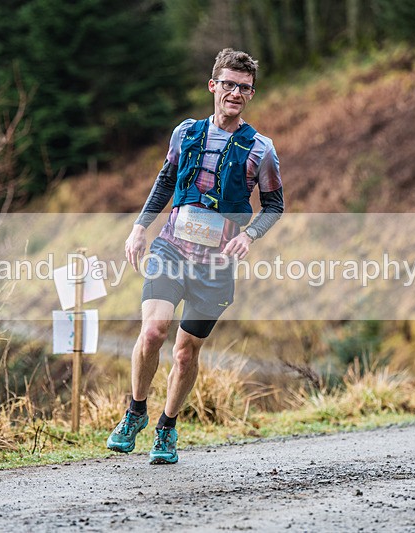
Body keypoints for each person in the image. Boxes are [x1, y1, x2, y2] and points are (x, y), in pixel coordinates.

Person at [106, 48, 284, 464]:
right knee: (154, 330)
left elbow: (274, 205)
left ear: (251, 94)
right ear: (213, 86)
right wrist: (138, 229)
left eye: (244, 87)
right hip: (170, 248)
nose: (235, 93)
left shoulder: (262, 149)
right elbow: (165, 179)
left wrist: (250, 236)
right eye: (228, 84)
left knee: (186, 351)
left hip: (216, 264)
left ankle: (167, 429)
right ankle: (135, 412)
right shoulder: (185, 133)